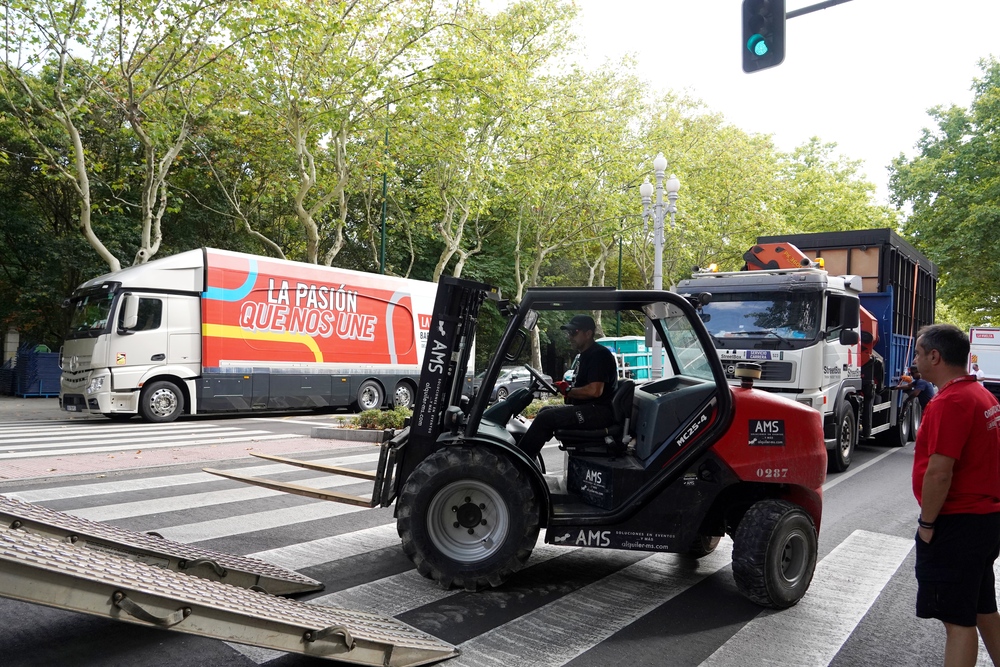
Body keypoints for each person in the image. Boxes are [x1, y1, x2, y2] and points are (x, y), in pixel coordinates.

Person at [911, 323, 1000, 667]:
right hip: (984, 522)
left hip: (959, 524)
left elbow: (939, 472)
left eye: (919, 353)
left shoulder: (951, 401)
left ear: (935, 356)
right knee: (982, 609)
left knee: (957, 621)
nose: (916, 360)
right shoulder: (984, 396)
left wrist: (927, 524)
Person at [516, 314, 618, 460]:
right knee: (545, 411)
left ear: (588, 333)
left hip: (598, 412)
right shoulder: (585, 356)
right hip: (590, 409)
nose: (570, 336)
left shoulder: (599, 355)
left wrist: (568, 390)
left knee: (546, 418)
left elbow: (595, 391)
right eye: (569, 333)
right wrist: (567, 388)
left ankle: (519, 464)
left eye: (574, 332)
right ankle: (526, 459)